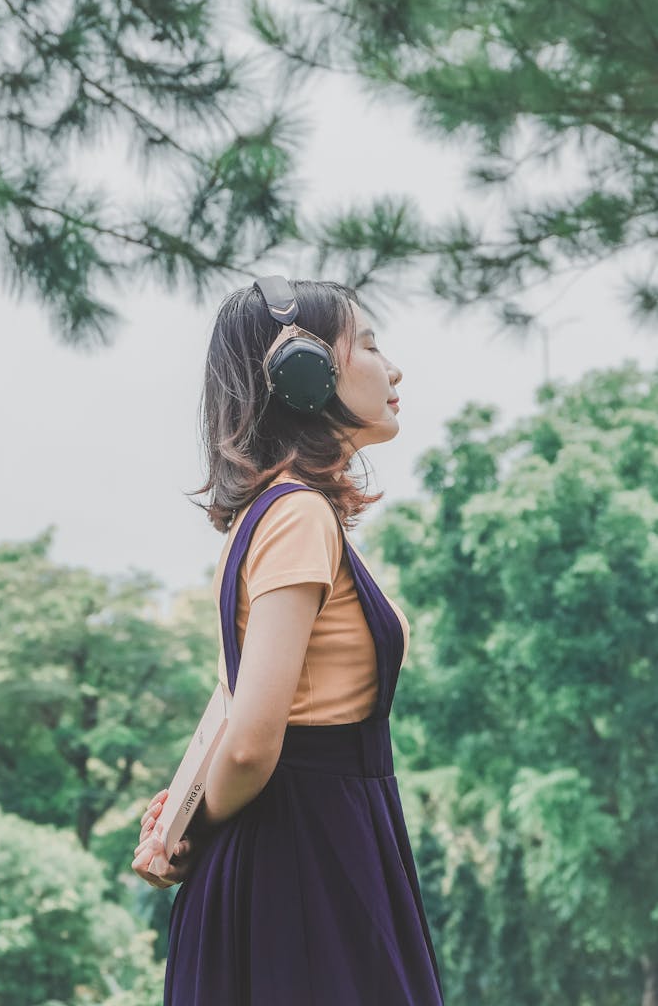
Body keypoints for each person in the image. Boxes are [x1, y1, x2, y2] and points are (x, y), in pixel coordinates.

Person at [132, 278, 445, 1005]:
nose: (392, 369)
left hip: (293, 851)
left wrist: (179, 820)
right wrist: (189, 829)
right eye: (368, 344)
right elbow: (247, 743)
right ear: (300, 372)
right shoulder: (299, 515)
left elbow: (228, 699)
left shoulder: (263, 516)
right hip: (305, 858)